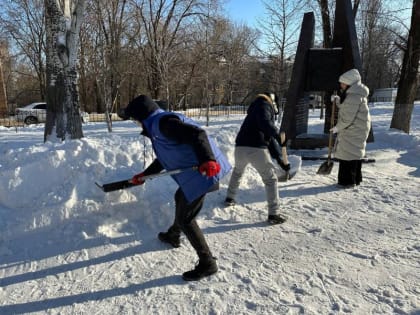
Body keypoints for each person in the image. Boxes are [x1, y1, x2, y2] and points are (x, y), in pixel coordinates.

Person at [118, 95, 231, 281]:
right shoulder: (157, 125)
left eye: (135, 120)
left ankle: (208, 263)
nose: (136, 124)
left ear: (141, 117)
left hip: (204, 172)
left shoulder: (164, 123)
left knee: (186, 218)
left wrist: (208, 160)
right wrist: (145, 175)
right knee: (181, 198)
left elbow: (197, 134)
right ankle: (173, 234)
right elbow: (164, 156)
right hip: (197, 173)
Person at [224, 93, 290, 225]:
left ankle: (230, 198)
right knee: (271, 180)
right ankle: (274, 214)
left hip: (240, 147)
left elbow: (268, 137)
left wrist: (279, 159)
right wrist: (277, 135)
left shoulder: (254, 110)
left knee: (238, 171)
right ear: (273, 102)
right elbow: (266, 126)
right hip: (256, 148)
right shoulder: (264, 105)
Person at [330, 69, 371, 188]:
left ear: (349, 83)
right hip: (357, 129)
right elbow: (346, 108)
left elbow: (347, 118)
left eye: (343, 83)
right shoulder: (355, 95)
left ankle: (347, 181)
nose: (341, 85)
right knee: (354, 155)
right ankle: (356, 179)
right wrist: (337, 100)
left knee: (347, 155)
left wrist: (337, 128)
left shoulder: (353, 97)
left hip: (353, 130)